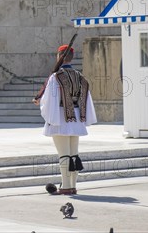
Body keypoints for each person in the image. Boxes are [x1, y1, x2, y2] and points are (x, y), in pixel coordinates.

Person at [33, 44, 97, 195]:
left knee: (64, 154)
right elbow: (86, 98)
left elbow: (49, 99)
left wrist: (39, 102)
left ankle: (66, 186)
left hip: (61, 118)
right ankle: (73, 185)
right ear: (71, 58)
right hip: (76, 119)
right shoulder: (80, 76)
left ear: (59, 57)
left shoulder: (56, 77)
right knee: (74, 154)